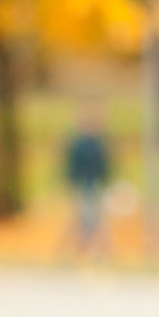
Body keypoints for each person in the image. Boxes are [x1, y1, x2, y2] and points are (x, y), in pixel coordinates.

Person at [63, 104, 112, 260]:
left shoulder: (96, 144)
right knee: (87, 218)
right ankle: (86, 248)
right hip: (85, 185)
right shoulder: (84, 145)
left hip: (92, 185)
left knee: (91, 218)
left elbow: (104, 166)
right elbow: (74, 166)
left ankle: (90, 248)